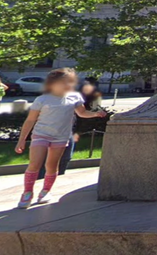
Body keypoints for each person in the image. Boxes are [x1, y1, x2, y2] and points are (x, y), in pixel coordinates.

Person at [14, 68, 106, 208]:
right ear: (53, 83)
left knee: (52, 165)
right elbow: (30, 120)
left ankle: (45, 191)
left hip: (60, 137)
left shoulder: (74, 97)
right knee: (35, 164)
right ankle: (27, 193)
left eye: (71, 82)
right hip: (41, 135)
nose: (69, 85)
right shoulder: (42, 99)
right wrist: (22, 140)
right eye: (65, 82)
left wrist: (95, 114)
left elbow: (82, 113)